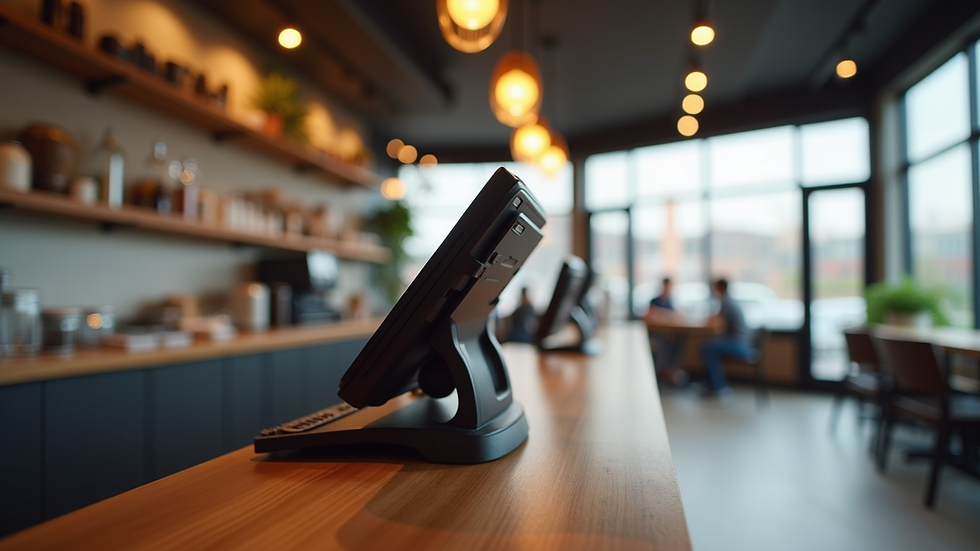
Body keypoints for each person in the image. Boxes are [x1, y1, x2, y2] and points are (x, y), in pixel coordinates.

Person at [699, 278, 753, 398]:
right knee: (708, 346)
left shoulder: (727, 302)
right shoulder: (730, 301)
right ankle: (709, 384)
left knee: (707, 348)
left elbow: (717, 320)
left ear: (720, 288)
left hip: (739, 344)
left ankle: (719, 387)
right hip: (741, 341)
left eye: (715, 288)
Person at [645, 277, 688, 385]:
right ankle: (663, 372)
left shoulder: (670, 301)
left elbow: (675, 315)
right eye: (667, 286)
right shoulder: (655, 300)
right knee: (665, 343)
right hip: (655, 333)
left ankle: (671, 371)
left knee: (679, 342)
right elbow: (649, 316)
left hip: (667, 334)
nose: (668, 289)